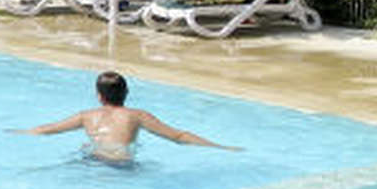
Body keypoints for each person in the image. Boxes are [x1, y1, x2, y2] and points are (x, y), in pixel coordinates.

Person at [13, 70, 239, 164]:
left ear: (99, 96)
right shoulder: (137, 116)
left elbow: (46, 130)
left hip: (93, 160)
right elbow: (179, 137)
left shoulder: (86, 116)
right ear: (127, 93)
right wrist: (221, 147)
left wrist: (17, 132)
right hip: (121, 163)